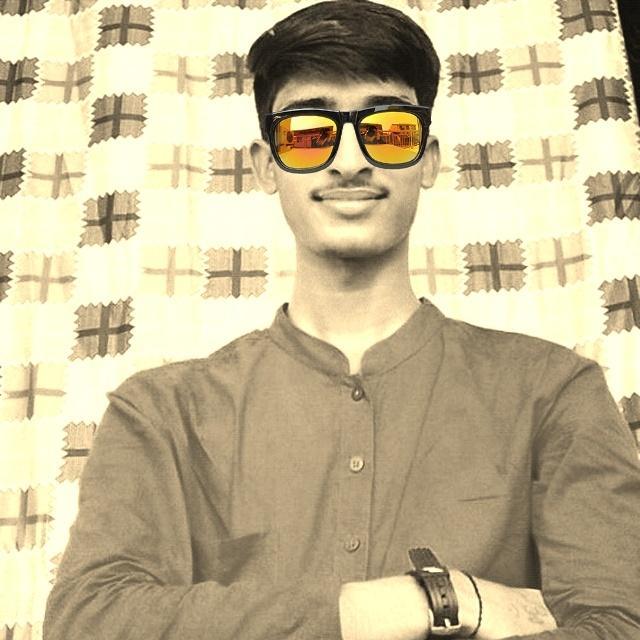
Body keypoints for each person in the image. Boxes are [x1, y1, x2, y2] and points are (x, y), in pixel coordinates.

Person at [43, 1, 640, 639]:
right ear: (265, 165)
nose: (350, 161)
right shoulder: (162, 414)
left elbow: (622, 625)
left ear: (428, 159)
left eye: (388, 129)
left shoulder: (552, 391)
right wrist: (426, 601)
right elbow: (88, 624)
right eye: (308, 132)